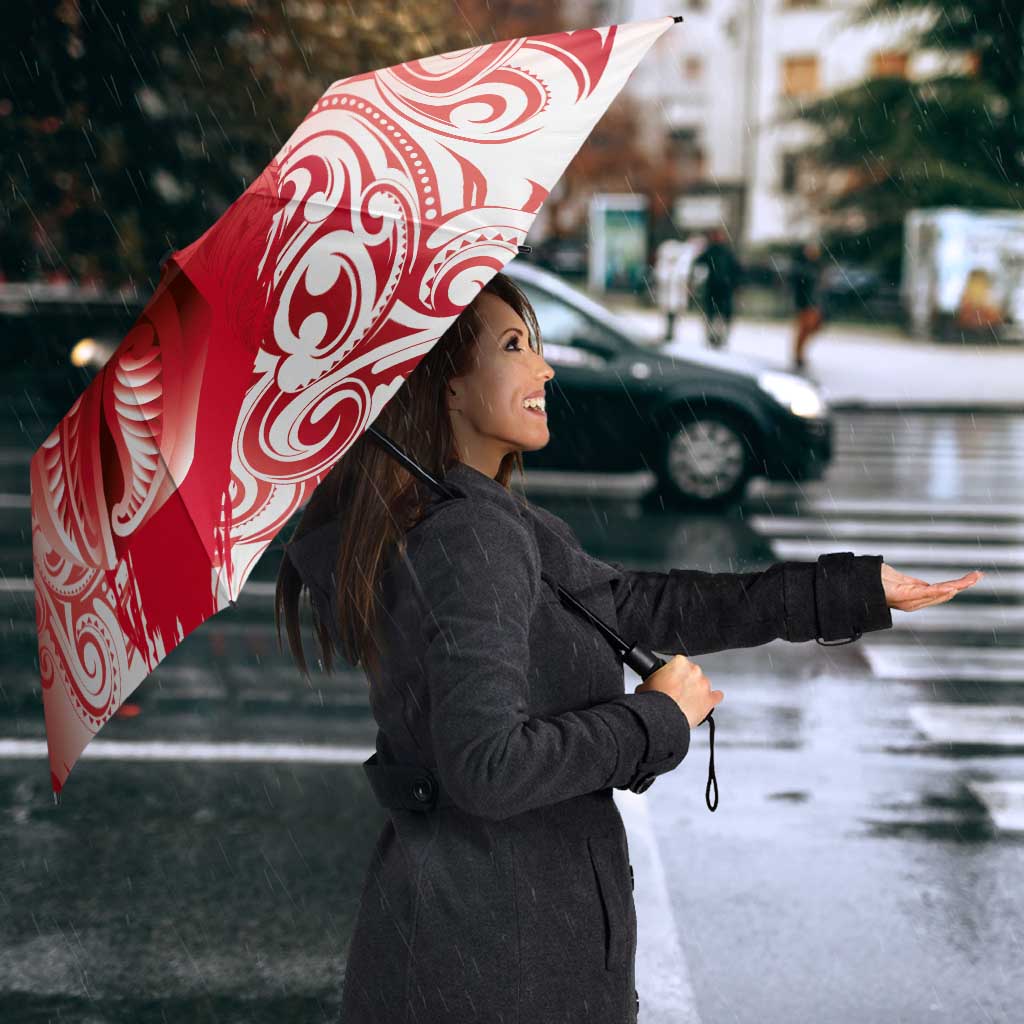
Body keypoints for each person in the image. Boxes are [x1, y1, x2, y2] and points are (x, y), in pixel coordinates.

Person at [276, 271, 981, 1024]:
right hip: (496, 962)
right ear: (446, 385)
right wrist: (655, 719)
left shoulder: (480, 519)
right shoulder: (469, 536)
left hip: (480, 943)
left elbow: (643, 605)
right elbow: (487, 767)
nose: (544, 368)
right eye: (514, 346)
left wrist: (850, 590)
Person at [692, 226, 742, 349]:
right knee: (713, 314)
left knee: (720, 315)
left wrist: (735, 284)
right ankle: (713, 337)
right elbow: (698, 264)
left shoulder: (725, 252)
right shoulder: (712, 251)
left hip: (723, 288)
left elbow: (736, 270)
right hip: (715, 288)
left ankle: (719, 337)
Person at [790, 239, 826, 370]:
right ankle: (798, 355)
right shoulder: (802, 267)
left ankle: (799, 354)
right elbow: (799, 286)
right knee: (804, 329)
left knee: (812, 328)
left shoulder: (817, 266)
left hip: (814, 303)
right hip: (805, 303)